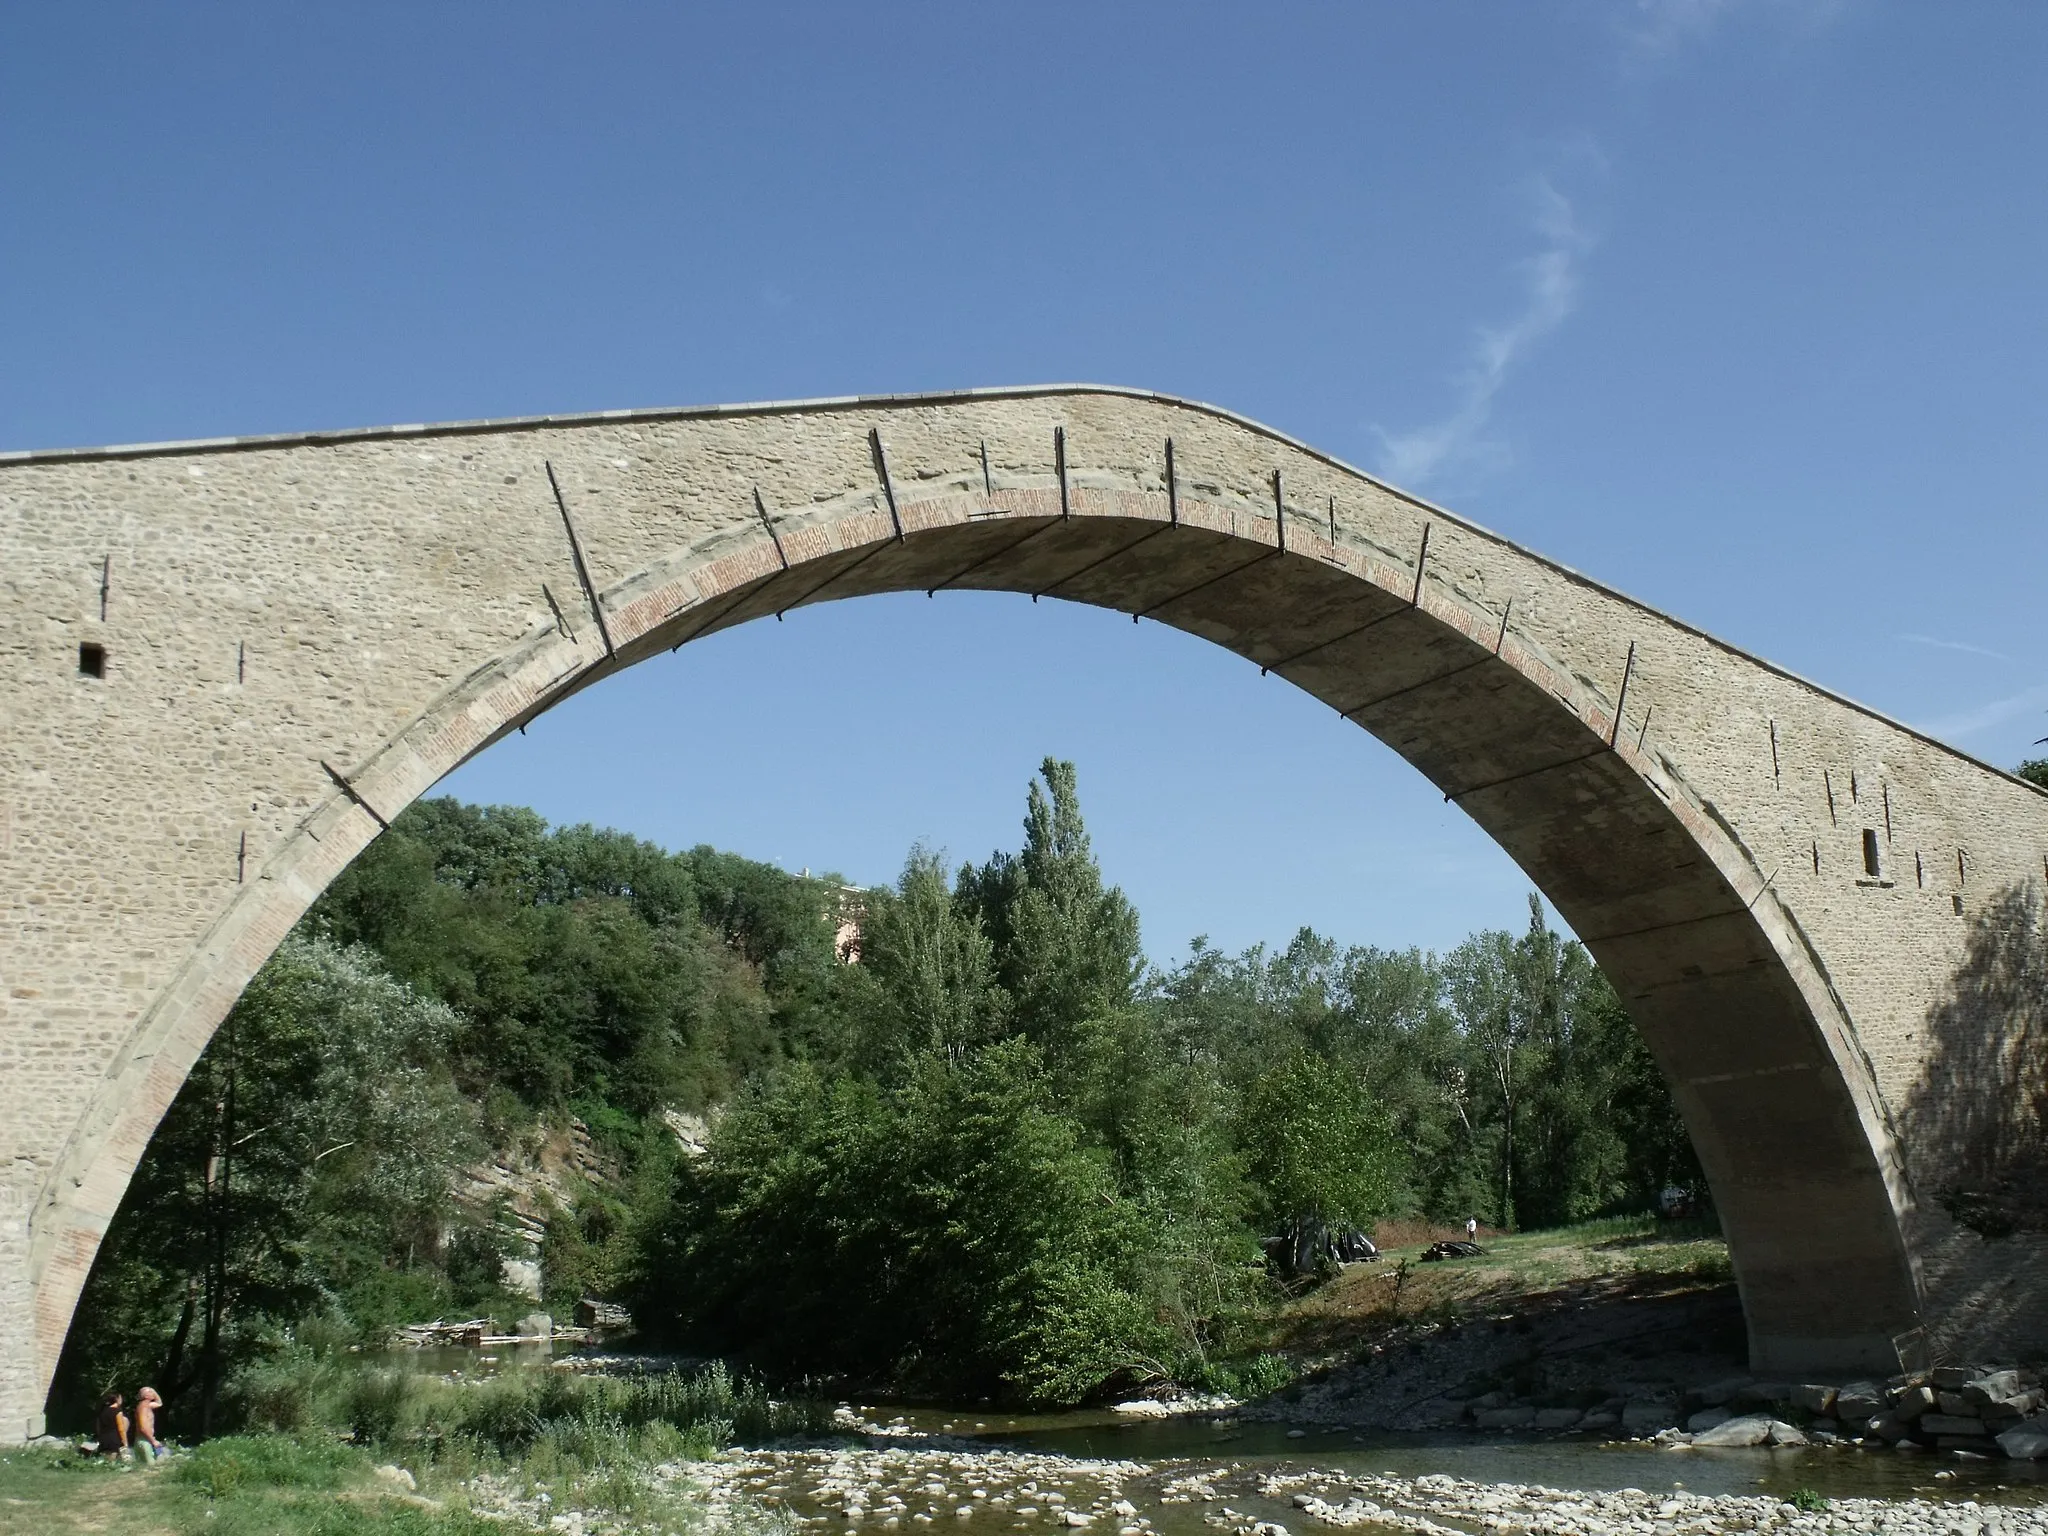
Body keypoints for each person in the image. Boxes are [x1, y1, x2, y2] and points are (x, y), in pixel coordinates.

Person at [131, 1386, 166, 1463]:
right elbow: (142, 1427)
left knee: (156, 1464)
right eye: (150, 1391)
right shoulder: (143, 1407)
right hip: (144, 1440)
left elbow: (159, 1403)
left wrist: (153, 1390)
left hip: (148, 1439)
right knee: (150, 1468)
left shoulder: (148, 1405)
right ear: (146, 1396)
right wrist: (153, 1441)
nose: (153, 1393)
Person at [93, 1391, 129, 1461]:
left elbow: (98, 1427)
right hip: (114, 1439)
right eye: (120, 1398)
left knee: (105, 1461)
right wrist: (125, 1442)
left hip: (103, 1439)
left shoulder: (102, 1411)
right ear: (117, 1399)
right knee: (113, 1462)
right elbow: (121, 1428)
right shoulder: (117, 1411)